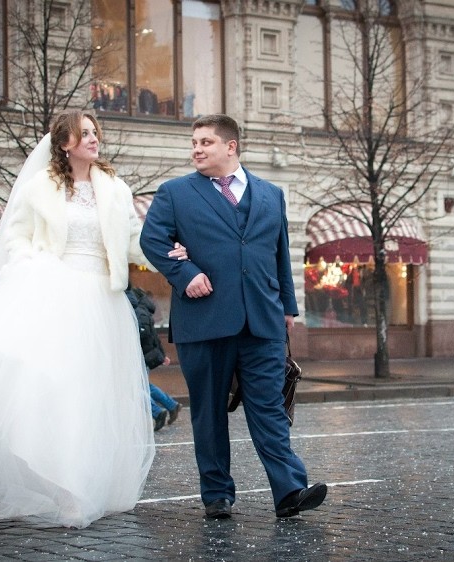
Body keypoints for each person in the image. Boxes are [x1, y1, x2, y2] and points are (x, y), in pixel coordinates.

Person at [0, 110, 187, 529]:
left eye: (95, 132)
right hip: (54, 295)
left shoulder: (115, 188)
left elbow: (133, 239)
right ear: (65, 143)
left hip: (103, 302)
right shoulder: (41, 186)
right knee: (59, 393)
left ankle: (93, 483)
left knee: (96, 396)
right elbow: (15, 237)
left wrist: (167, 254)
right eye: (84, 133)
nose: (93, 139)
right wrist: (33, 266)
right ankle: (65, 488)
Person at [140, 113, 327, 519]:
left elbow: (280, 253)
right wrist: (185, 274)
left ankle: (290, 491)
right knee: (209, 413)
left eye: (205, 142)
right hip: (203, 321)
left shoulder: (271, 194)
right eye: (194, 143)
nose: (197, 149)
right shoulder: (175, 193)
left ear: (231, 146)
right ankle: (217, 494)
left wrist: (287, 306)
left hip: (263, 320)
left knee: (270, 408)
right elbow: (151, 240)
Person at [126, 285, 183, 431]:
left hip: (140, 356)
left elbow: (145, 334)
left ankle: (158, 412)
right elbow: (153, 336)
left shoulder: (138, 312)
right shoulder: (142, 310)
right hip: (142, 355)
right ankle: (171, 405)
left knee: (134, 388)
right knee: (144, 386)